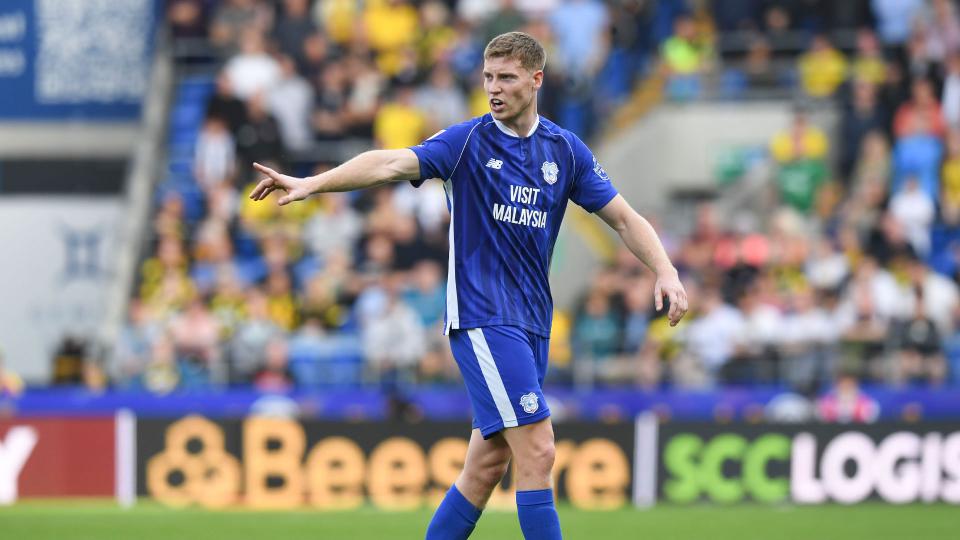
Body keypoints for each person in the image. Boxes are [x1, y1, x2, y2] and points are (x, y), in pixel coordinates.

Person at [248, 31, 688, 540]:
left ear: (536, 79)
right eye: (487, 78)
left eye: (506, 78)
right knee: (540, 448)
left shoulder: (564, 151)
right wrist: (313, 183)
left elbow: (625, 219)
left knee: (485, 467)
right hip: (484, 317)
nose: (493, 88)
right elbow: (389, 162)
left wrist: (667, 270)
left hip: (532, 324)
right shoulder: (468, 143)